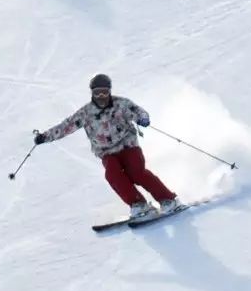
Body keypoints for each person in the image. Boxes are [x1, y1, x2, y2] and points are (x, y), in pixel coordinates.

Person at [33, 74, 182, 222]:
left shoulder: (120, 104)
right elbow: (66, 126)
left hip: (127, 145)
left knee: (136, 173)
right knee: (112, 174)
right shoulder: (86, 113)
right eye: (97, 92)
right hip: (106, 152)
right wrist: (44, 137)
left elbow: (137, 111)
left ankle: (168, 200)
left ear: (110, 91)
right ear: (92, 93)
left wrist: (142, 118)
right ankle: (138, 204)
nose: (101, 96)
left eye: (104, 92)